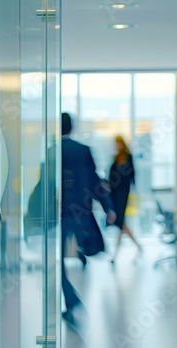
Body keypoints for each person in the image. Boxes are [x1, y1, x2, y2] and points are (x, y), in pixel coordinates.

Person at [49, 113, 116, 322]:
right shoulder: (83, 150)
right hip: (81, 211)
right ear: (73, 127)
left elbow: (47, 184)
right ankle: (82, 256)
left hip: (58, 214)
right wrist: (108, 207)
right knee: (87, 243)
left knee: (57, 260)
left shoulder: (52, 152)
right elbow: (94, 180)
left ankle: (71, 298)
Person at [108, 135, 142, 264]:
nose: (117, 146)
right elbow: (111, 177)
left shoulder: (128, 158)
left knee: (121, 222)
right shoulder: (115, 159)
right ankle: (137, 247)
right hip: (115, 194)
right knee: (122, 224)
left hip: (124, 193)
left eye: (118, 143)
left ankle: (115, 255)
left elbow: (133, 175)